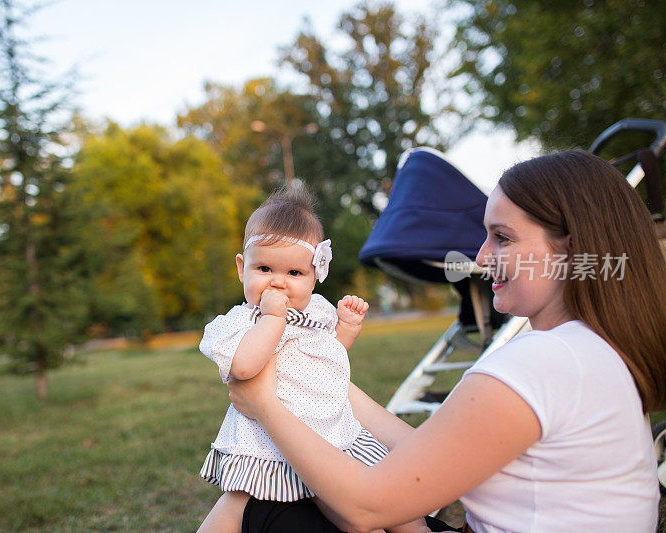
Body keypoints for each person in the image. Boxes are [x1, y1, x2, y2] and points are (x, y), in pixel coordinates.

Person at [228, 150, 666, 532]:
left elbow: (364, 507)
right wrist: (314, 375)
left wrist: (264, 404)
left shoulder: (545, 360)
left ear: (569, 254)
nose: (479, 257)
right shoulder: (590, 348)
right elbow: (429, 451)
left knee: (257, 507)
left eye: (503, 237)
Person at [197, 188, 431, 533]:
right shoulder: (235, 324)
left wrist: (346, 330)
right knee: (347, 517)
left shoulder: (317, 311)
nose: (278, 282)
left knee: (392, 510)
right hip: (277, 446)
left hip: (332, 434)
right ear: (241, 267)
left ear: (314, 275)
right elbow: (244, 368)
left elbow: (328, 358)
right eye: (263, 267)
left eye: (294, 273)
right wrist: (272, 320)